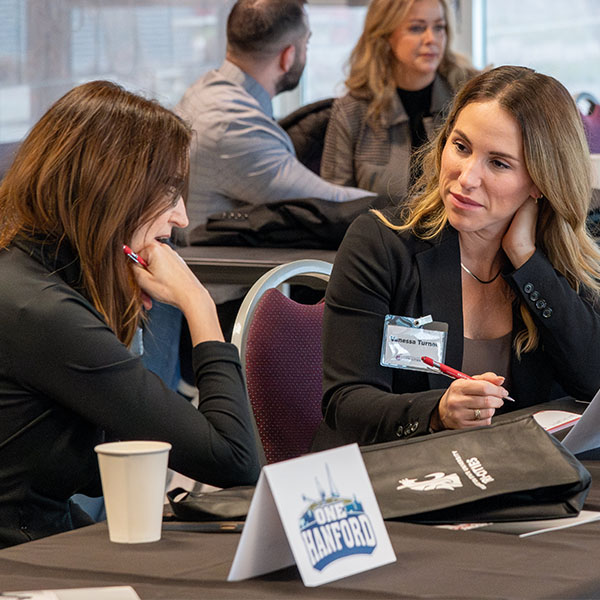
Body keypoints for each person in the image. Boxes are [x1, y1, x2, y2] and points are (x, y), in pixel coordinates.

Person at [0, 80, 260, 548]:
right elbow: (234, 459)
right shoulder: (42, 311)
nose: (181, 216)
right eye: (169, 190)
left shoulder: (27, 273)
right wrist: (200, 307)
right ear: (112, 189)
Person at [312, 65, 600, 451]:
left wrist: (525, 258)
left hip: (514, 477)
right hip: (398, 478)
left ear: (539, 182)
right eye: (461, 147)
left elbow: (592, 380)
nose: (466, 178)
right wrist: (437, 412)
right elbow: (346, 403)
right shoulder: (382, 244)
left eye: (498, 163)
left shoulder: (552, 262)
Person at [175, 0, 372, 239]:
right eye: (306, 43)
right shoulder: (232, 125)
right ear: (288, 56)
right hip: (221, 273)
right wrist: (409, 207)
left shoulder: (204, 90)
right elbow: (328, 203)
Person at [321, 0, 478, 202]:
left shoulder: (469, 96)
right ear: (385, 36)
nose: (432, 39)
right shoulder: (352, 110)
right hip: (374, 231)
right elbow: (333, 203)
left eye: (439, 27)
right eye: (417, 28)